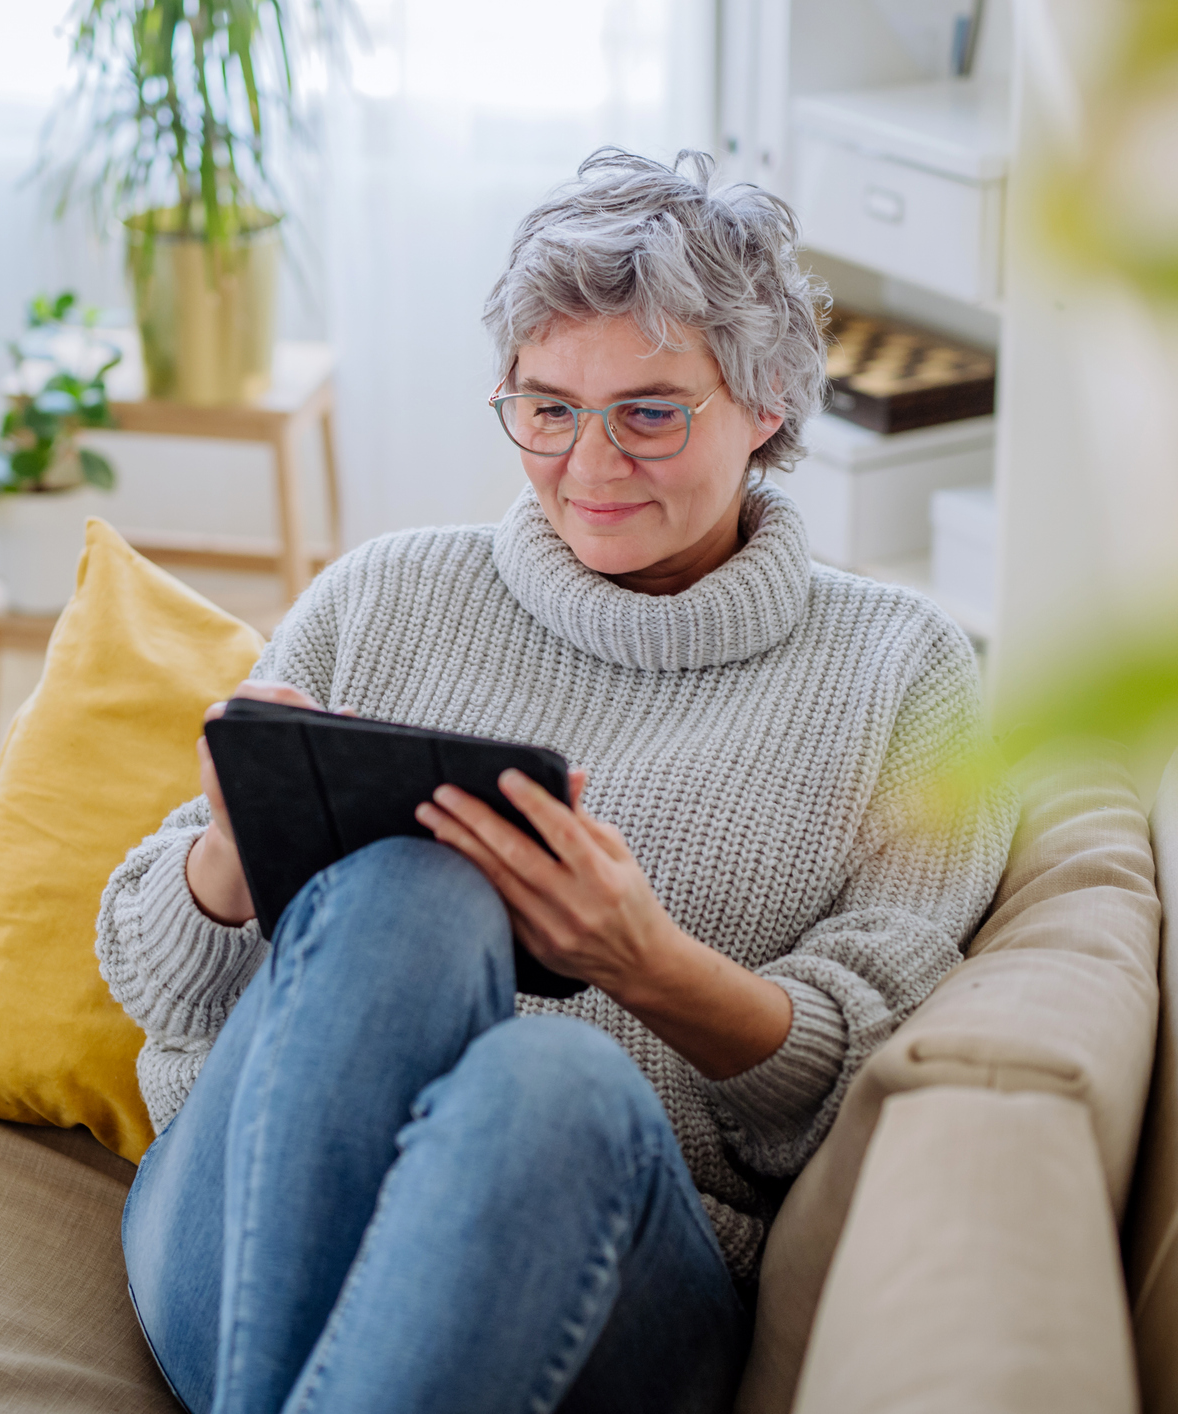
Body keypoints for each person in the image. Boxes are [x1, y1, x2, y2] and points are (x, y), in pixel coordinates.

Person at [94, 148, 1015, 1414]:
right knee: (407, 891)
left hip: (584, 1268)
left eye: (649, 411)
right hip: (240, 1232)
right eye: (546, 407)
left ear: (768, 408)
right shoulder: (387, 593)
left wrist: (649, 962)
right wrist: (225, 857)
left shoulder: (902, 675)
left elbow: (870, 1088)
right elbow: (158, 984)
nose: (588, 464)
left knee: (562, 1082)